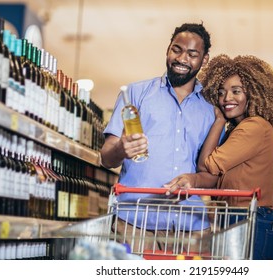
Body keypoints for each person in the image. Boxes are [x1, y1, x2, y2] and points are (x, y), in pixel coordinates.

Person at [100, 22, 216, 253]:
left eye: (192, 54)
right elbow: (106, 158)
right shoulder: (136, 94)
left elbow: (213, 175)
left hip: (190, 226)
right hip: (134, 223)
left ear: (204, 60)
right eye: (177, 49)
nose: (182, 58)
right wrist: (122, 149)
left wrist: (193, 180)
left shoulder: (211, 108)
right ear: (168, 50)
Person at [164, 54, 273, 259]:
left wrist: (218, 121)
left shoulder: (254, 127)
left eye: (236, 91)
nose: (227, 98)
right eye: (221, 92)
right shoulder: (239, 130)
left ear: (255, 93)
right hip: (239, 218)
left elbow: (207, 165)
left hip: (250, 220)